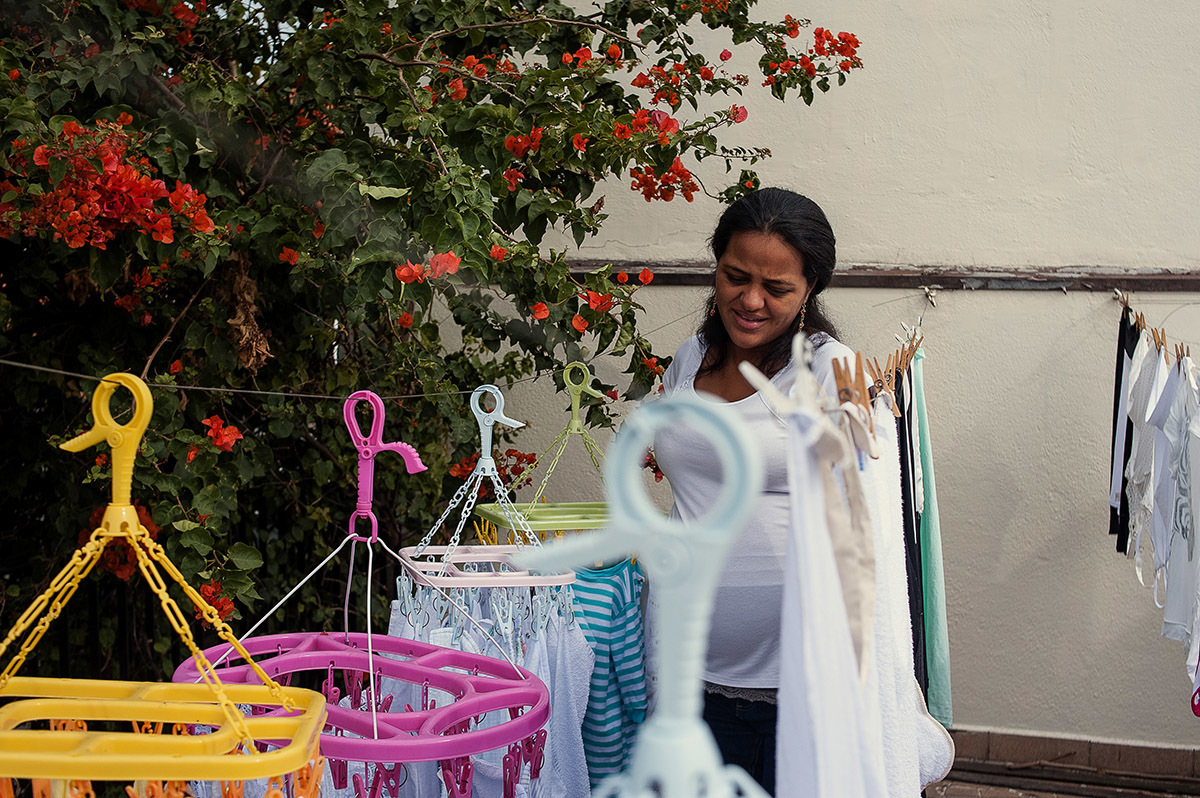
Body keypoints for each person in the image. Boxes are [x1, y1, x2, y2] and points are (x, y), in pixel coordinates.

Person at [651, 187, 854, 794]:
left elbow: (871, 519)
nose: (751, 300)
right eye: (735, 276)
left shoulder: (833, 371)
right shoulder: (689, 358)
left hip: (796, 688)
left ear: (810, 289)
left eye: (777, 288)